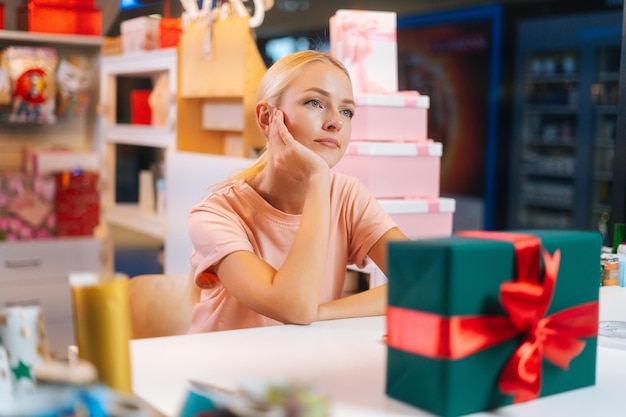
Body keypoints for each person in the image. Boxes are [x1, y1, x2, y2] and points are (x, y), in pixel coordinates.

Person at [187, 50, 408, 333]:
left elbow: (427, 283)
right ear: (267, 118)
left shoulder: (348, 196)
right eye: (315, 102)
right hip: (224, 371)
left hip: (304, 366)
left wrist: (322, 313)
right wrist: (317, 178)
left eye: (346, 111)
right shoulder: (214, 215)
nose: (335, 122)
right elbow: (293, 307)